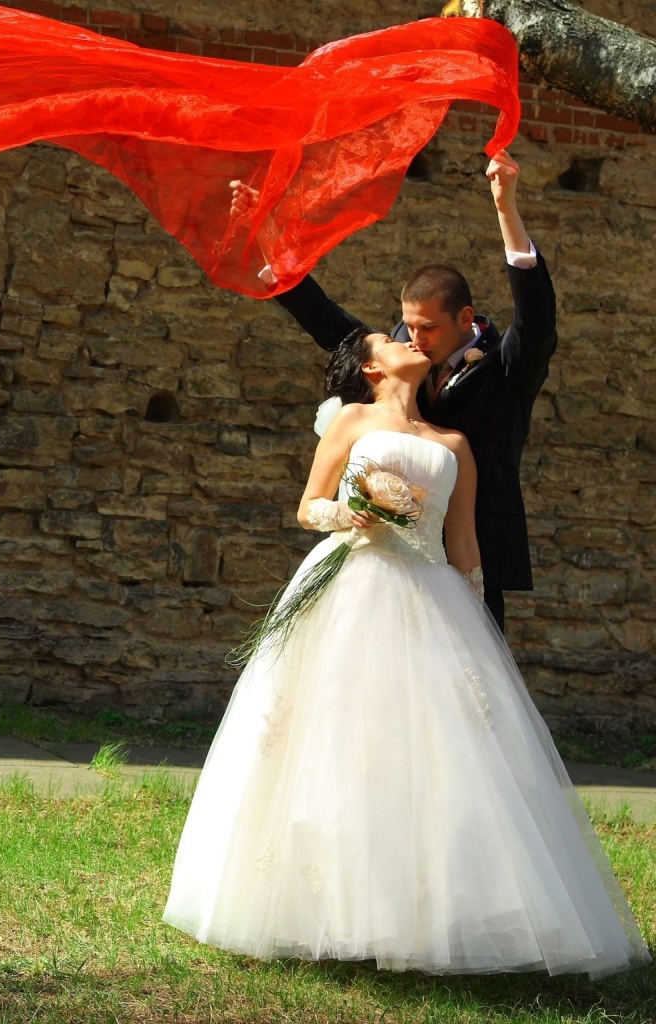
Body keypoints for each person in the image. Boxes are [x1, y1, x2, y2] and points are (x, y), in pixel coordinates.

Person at [163, 329, 649, 977]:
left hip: (431, 594)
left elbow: (465, 542)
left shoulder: (455, 445)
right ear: (371, 365)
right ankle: (325, 906)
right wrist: (347, 516)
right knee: (338, 744)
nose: (405, 339)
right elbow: (309, 505)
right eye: (388, 338)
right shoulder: (355, 420)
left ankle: (423, 912)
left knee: (434, 757)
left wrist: (478, 628)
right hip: (353, 583)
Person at [251, 150, 555, 631]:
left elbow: (537, 320)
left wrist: (506, 208)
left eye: (427, 329)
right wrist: (271, 247)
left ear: (466, 319)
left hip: (474, 555)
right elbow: (332, 326)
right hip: (383, 559)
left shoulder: (507, 369)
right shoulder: (398, 359)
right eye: (407, 327)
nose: (413, 339)